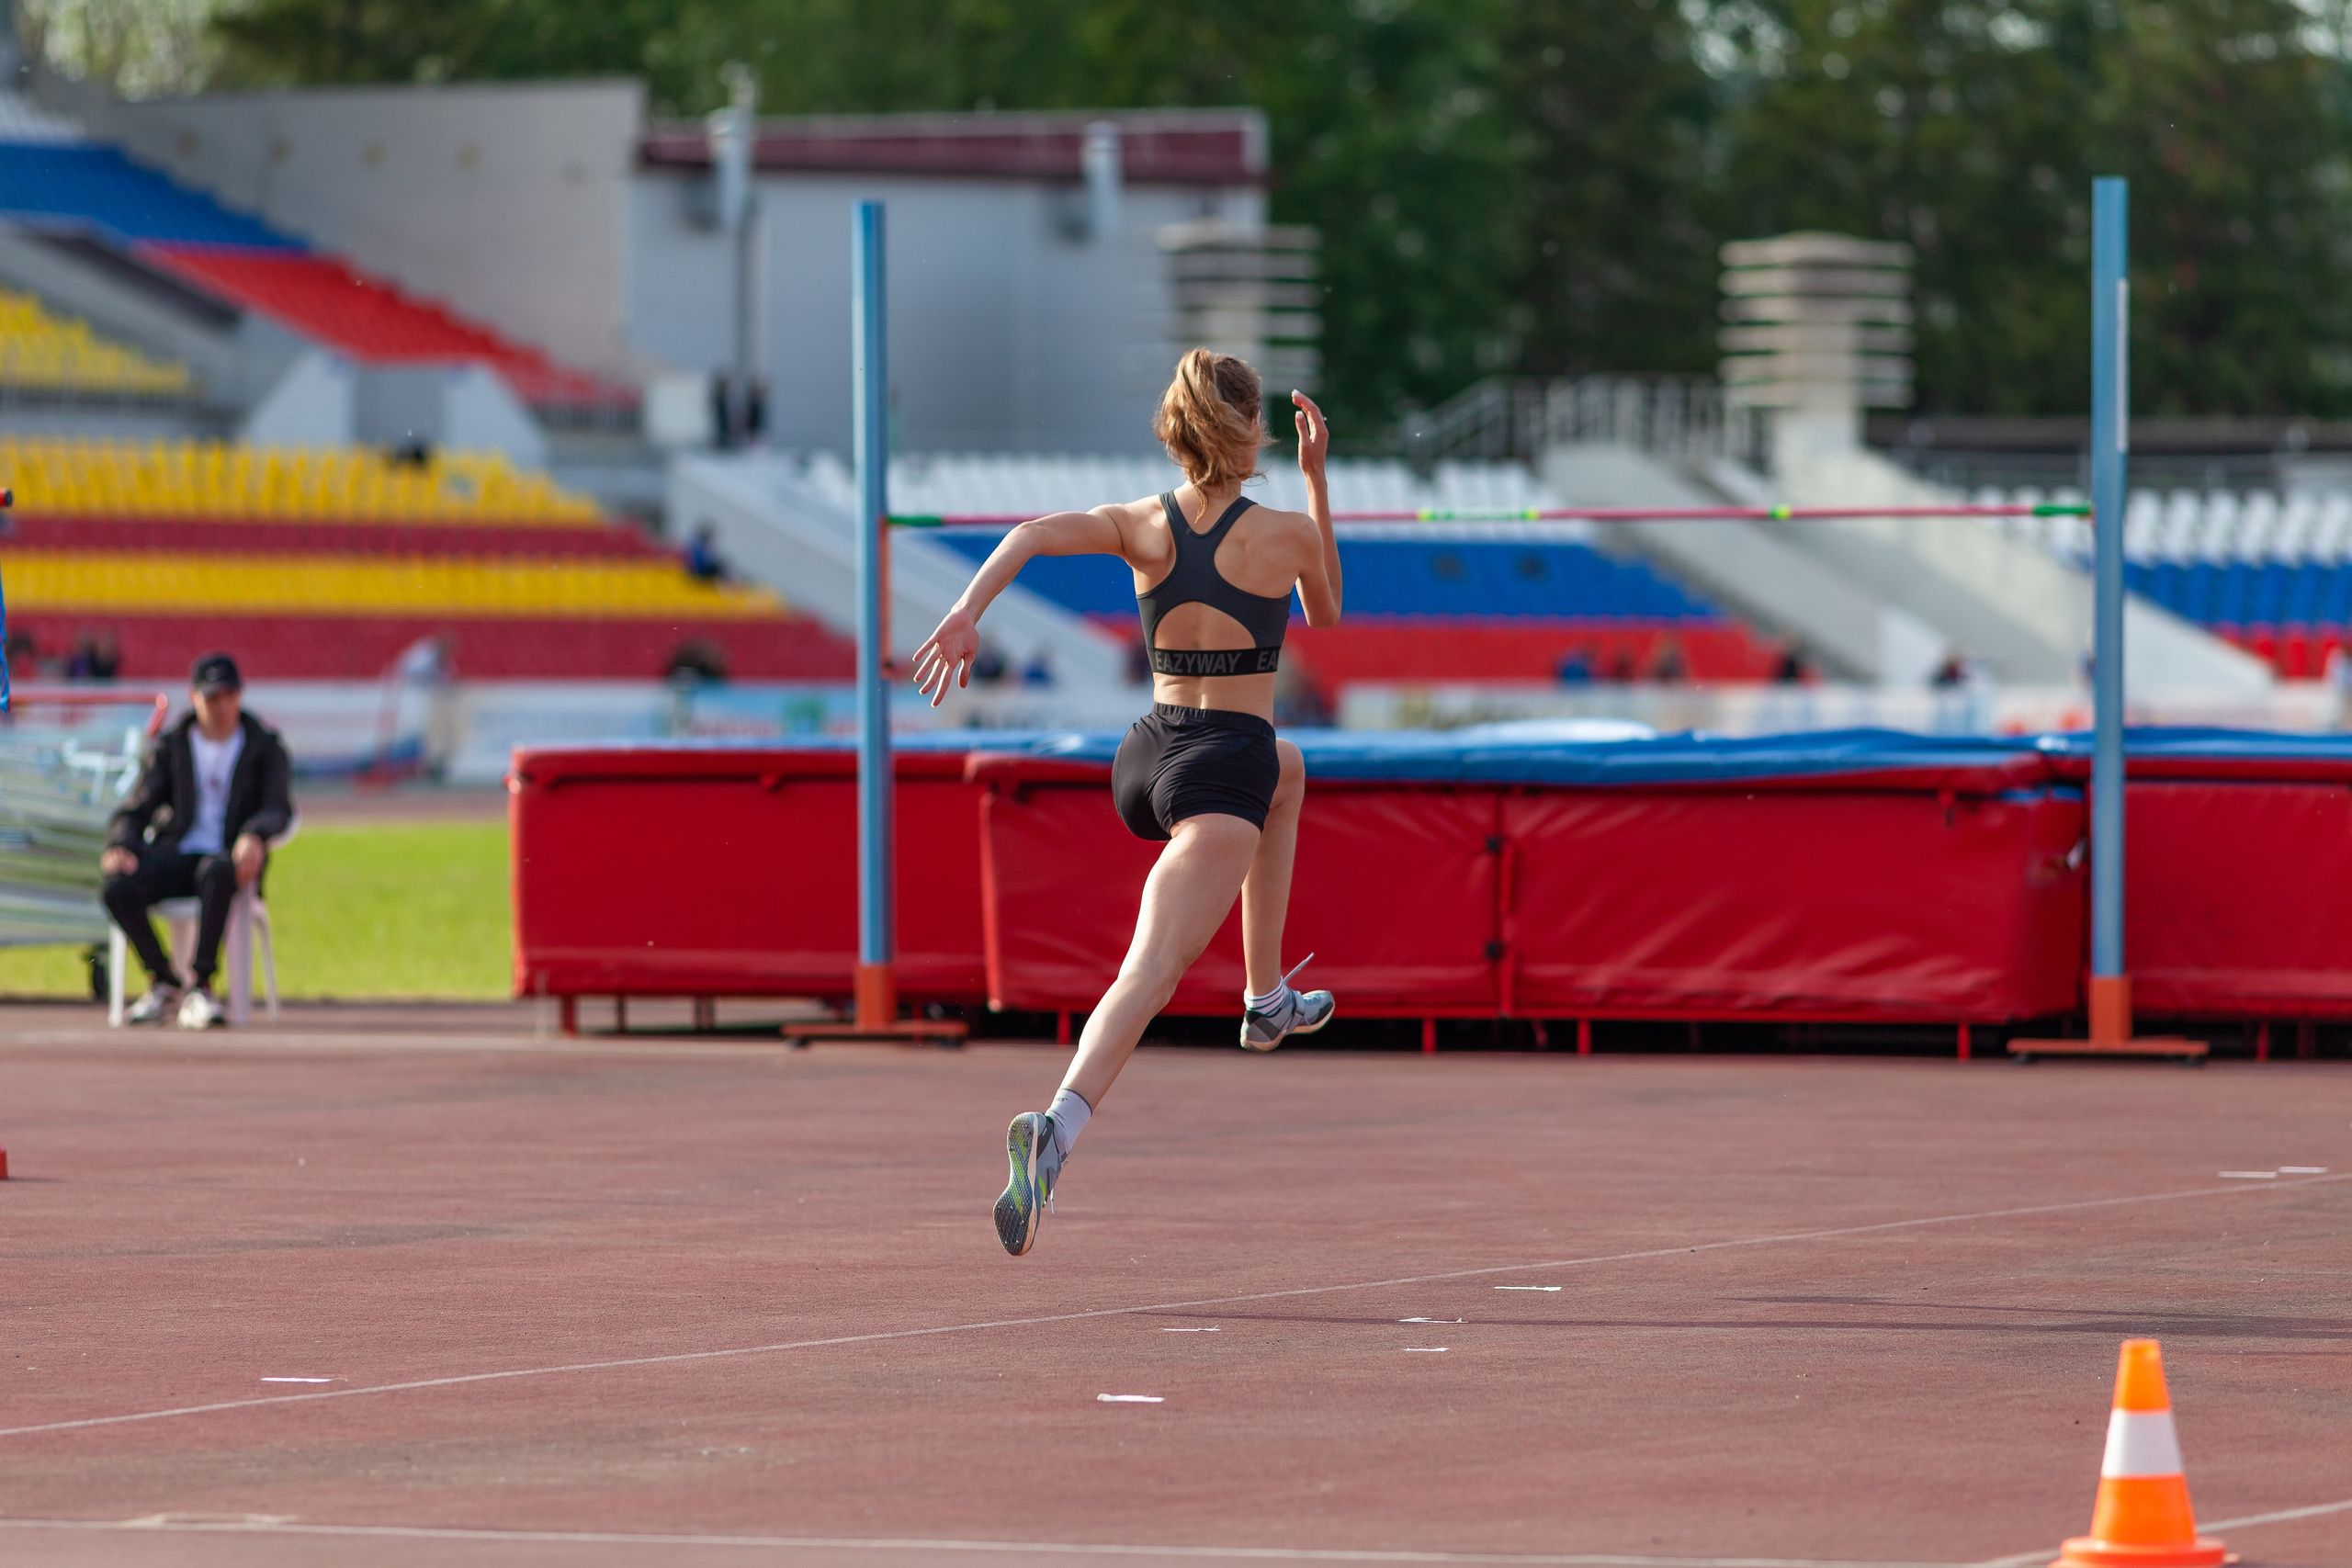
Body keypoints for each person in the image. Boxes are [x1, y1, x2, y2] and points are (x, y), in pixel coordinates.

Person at [911, 349, 1343, 1258]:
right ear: (1251, 430)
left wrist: (965, 612)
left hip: (1145, 758)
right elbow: (1329, 613)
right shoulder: (1287, 533)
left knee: (1290, 767)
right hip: (1222, 767)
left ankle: (1265, 996)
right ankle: (1056, 1128)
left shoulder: (1143, 523)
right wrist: (1316, 484)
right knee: (1146, 977)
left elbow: (1028, 533)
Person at [100, 654, 295, 1029]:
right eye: (211, 698)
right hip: (178, 853)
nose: (221, 706)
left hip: (227, 859)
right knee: (116, 887)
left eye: (228, 696)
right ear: (193, 698)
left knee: (219, 871)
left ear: (239, 696)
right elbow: (137, 806)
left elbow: (278, 807)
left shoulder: (264, 746)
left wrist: (253, 834)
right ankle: (164, 981)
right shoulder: (172, 746)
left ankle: (202, 985)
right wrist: (120, 844)